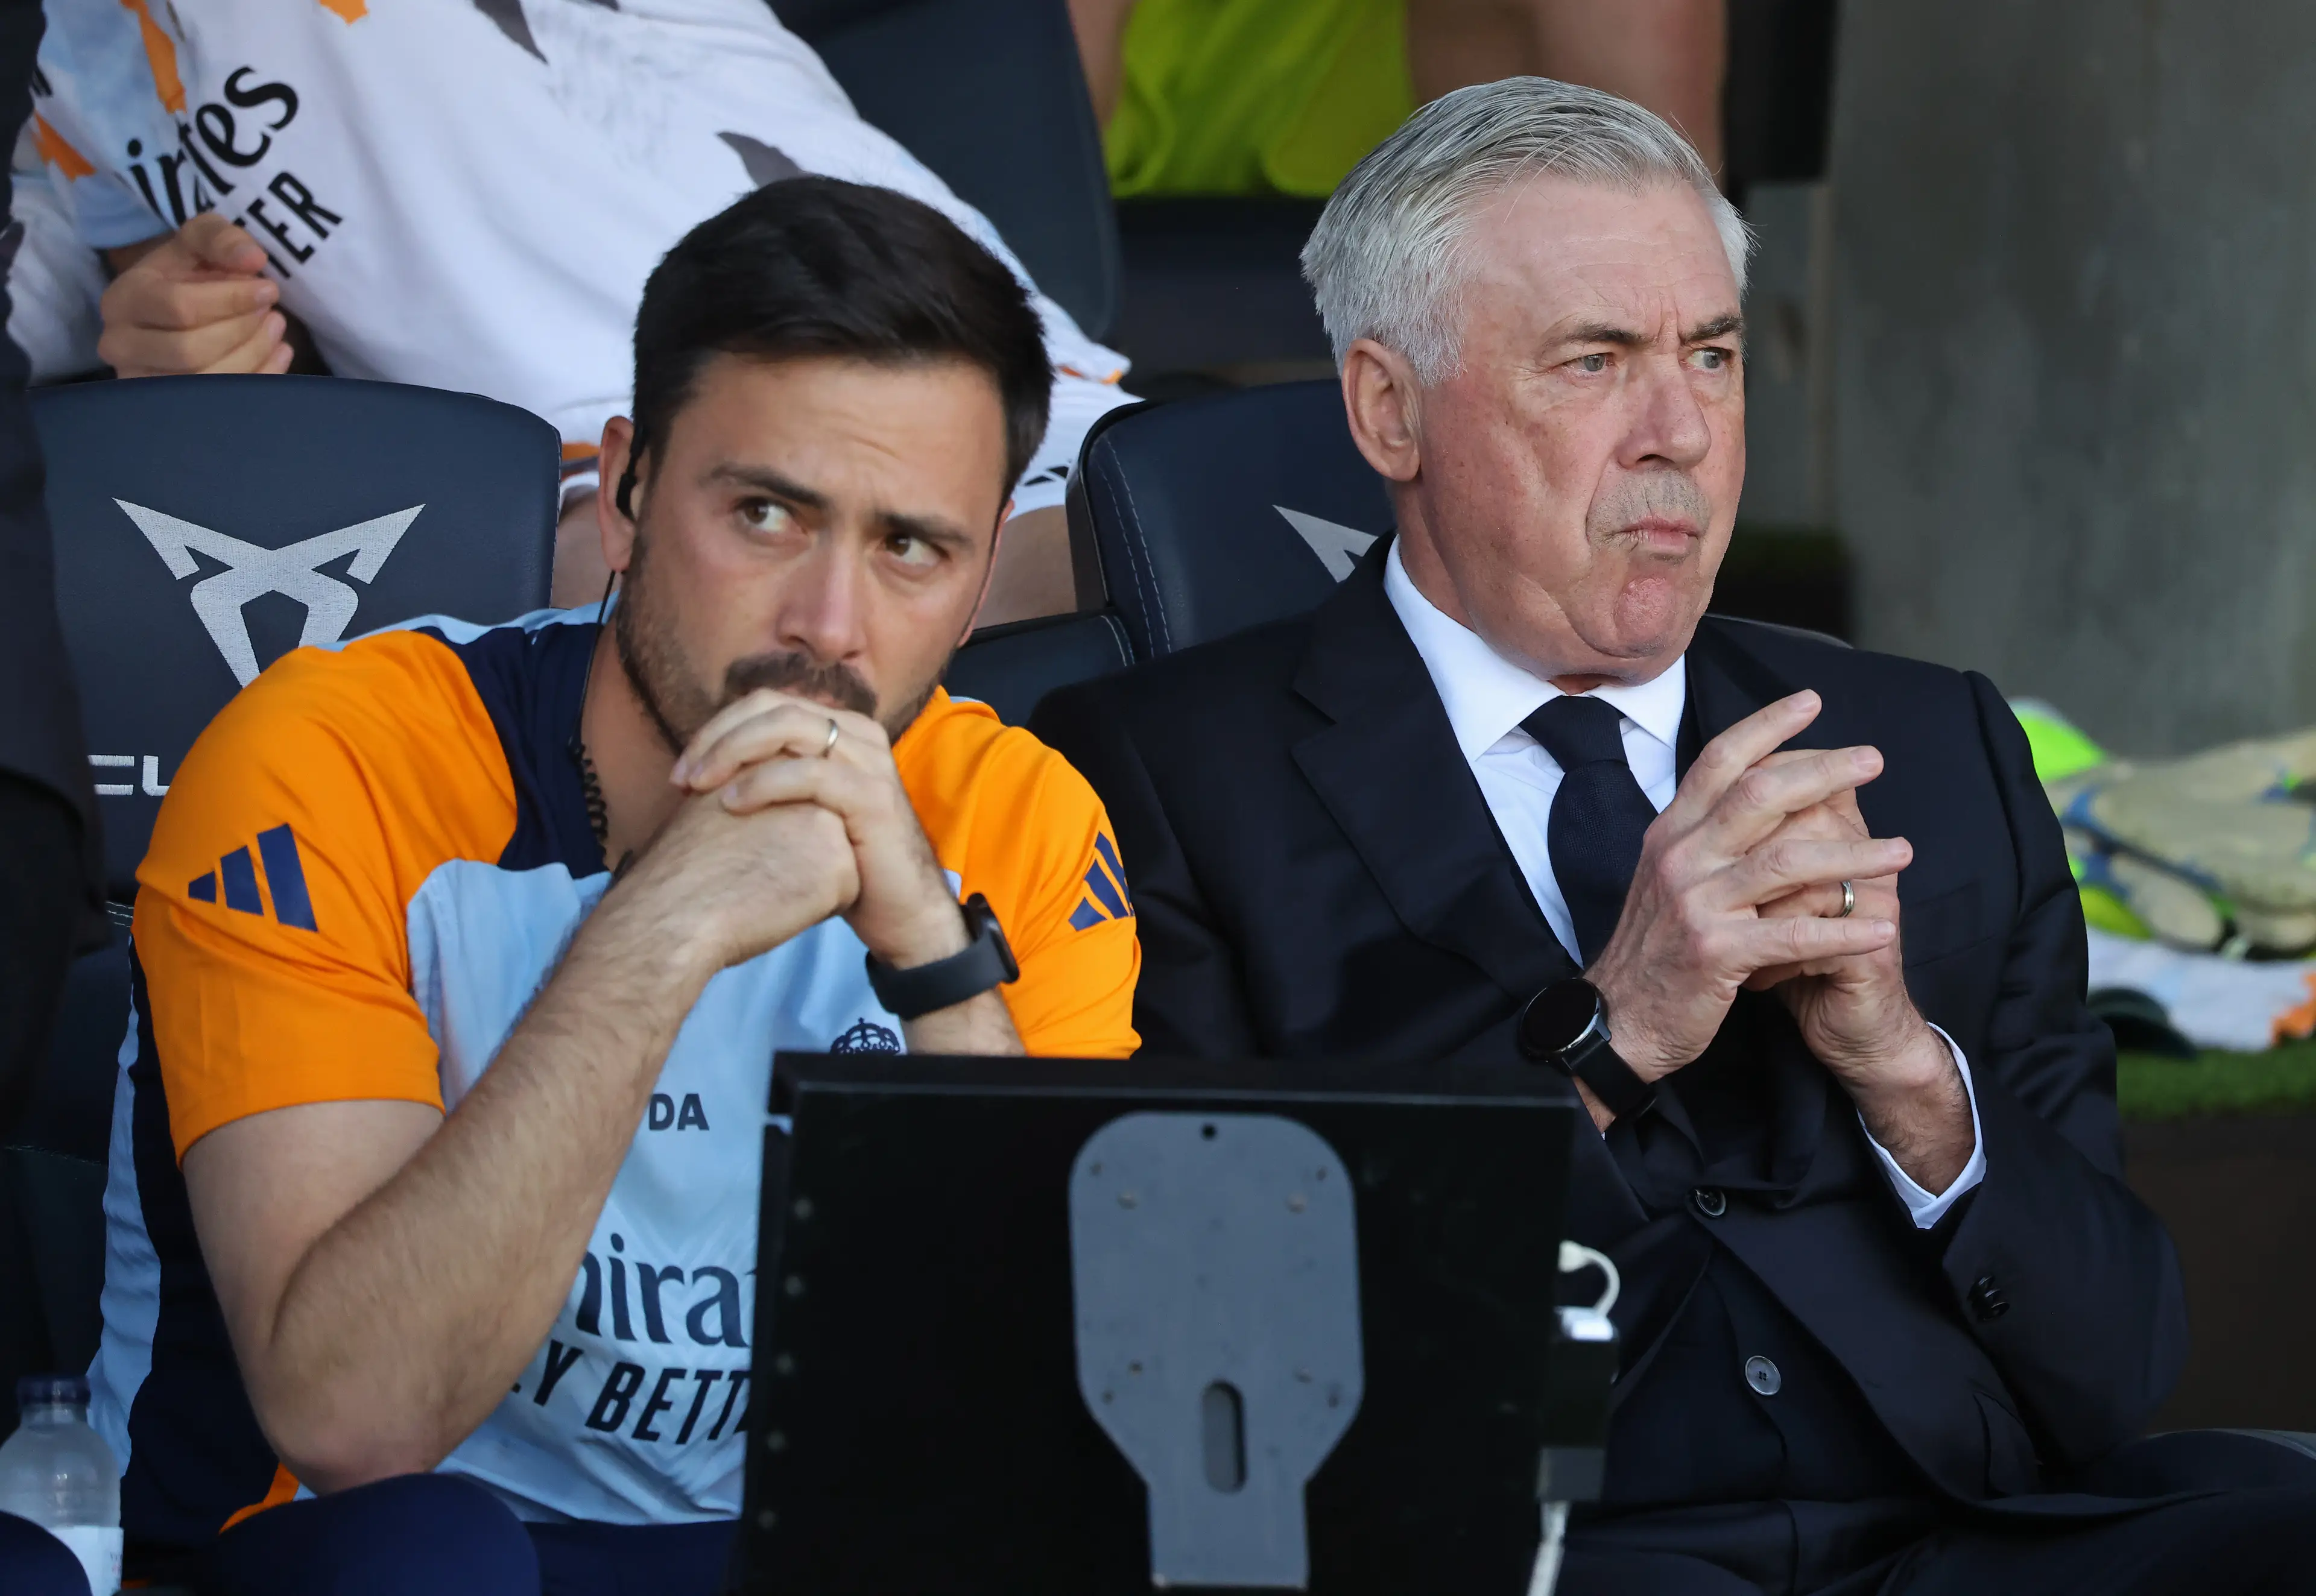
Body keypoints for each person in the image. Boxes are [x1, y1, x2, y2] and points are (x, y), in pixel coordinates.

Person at [1031, 78, 2316, 1595]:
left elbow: (2115, 1369)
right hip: (1528, 1553)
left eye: (1712, 354)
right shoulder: (1153, 778)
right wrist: (1612, 1031)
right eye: (1596, 361)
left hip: (1966, 1539)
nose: (1684, 434)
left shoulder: (1940, 745)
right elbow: (1211, 1363)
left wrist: (1910, 1078)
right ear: (1388, 409)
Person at [88, 176, 1141, 1594]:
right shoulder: (328, 760)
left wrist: (937, 964)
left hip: (773, 1555)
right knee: (429, 1554)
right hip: (338, 1552)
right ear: (631, 490)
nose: (828, 628)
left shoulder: (1017, 816)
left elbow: (1070, 1427)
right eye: (767, 514)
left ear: (974, 585)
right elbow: (356, 1420)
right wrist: (664, 922)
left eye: (909, 547)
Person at [27, 0, 1131, 622]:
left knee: (1159, 574)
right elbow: (193, 297)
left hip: (935, 363)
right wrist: (182, 339)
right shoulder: (62, 55)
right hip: (558, 475)